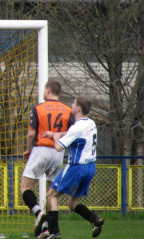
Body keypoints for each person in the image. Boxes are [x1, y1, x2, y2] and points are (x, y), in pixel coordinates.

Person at [38, 96, 104, 239]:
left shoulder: (76, 127)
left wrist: (55, 136)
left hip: (76, 167)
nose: (71, 105)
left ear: (78, 108)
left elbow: (57, 147)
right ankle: (94, 219)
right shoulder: (91, 123)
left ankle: (55, 232)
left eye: (73, 103)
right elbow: (73, 134)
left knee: (51, 196)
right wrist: (58, 134)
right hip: (90, 167)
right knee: (72, 203)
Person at [20, 80, 75, 237]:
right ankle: (50, 230)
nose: (43, 93)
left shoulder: (38, 108)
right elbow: (72, 133)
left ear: (49, 90)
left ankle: (38, 213)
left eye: (44, 90)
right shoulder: (68, 110)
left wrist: (29, 149)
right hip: (58, 153)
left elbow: (31, 134)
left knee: (25, 187)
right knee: (51, 195)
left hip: (41, 149)